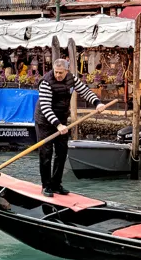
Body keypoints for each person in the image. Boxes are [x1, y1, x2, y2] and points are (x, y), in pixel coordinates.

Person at [34, 58, 102, 198]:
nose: (58, 75)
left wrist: (97, 103)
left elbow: (85, 91)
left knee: (62, 152)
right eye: (56, 72)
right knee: (46, 154)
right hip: (45, 122)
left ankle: (56, 184)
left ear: (67, 71)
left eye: (61, 72)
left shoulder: (72, 79)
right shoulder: (46, 82)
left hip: (62, 120)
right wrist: (57, 125)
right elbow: (46, 108)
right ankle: (46, 186)